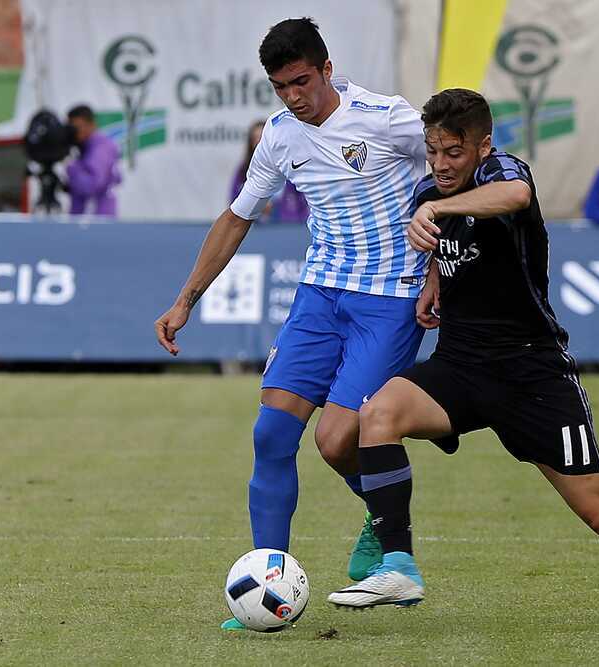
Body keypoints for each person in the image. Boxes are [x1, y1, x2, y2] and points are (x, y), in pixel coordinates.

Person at [327, 89, 599, 632]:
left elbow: (514, 195)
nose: (440, 164)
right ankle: (399, 565)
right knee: (377, 415)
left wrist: (437, 207)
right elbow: (446, 244)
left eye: (454, 152)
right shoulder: (427, 193)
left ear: (483, 146)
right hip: (460, 365)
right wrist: (433, 279)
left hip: (533, 374)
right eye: (432, 151)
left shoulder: (501, 173)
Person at [153, 18, 432, 631]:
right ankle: (268, 583)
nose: (293, 97)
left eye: (301, 81)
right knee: (271, 435)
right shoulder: (280, 136)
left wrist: (440, 267)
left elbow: (452, 170)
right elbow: (237, 218)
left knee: (335, 442)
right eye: (280, 87)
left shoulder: (388, 118)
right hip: (319, 298)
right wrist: (186, 300)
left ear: (327, 69)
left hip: (389, 299)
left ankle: (385, 519)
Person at [231, 120, 310, 223]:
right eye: (255, 139)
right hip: (255, 227)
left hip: (289, 225)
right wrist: (257, 206)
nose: (259, 143)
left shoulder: (291, 165)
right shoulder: (243, 170)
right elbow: (235, 202)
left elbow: (306, 201)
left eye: (262, 138)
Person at [65, 104, 122, 216]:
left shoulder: (101, 147)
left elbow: (93, 185)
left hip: (98, 221)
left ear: (92, 125)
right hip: (84, 219)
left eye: (77, 127)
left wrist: (72, 168)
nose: (74, 132)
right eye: (71, 128)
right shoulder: (82, 147)